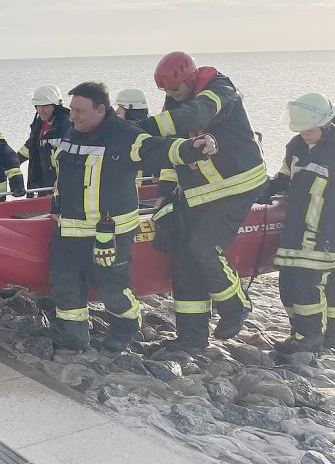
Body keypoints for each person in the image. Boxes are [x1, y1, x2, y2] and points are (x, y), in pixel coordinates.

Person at [48, 81, 217, 352]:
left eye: (80, 111)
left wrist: (192, 147)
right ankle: (74, 338)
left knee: (112, 288)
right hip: (69, 231)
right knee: (65, 285)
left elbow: (161, 149)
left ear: (101, 110)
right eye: (71, 110)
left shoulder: (125, 135)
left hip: (109, 234)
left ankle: (126, 327)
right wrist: (56, 207)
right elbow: (62, 176)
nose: (73, 116)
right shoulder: (71, 133)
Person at [142, 51, 266, 350]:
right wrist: (166, 193)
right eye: (167, 92)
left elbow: (196, 115)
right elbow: (174, 151)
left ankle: (236, 305)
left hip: (236, 186)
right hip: (200, 193)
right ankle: (191, 339)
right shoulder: (177, 102)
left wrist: (137, 128)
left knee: (204, 247)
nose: (172, 95)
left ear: (190, 79)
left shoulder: (220, 90)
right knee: (185, 258)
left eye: (174, 89)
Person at [265, 92, 335, 353]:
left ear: (325, 123)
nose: (305, 133)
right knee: (289, 283)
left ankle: (311, 338)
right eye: (301, 128)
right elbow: (284, 177)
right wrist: (263, 189)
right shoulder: (295, 146)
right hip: (296, 230)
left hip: (324, 232)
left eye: (309, 128)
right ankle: (302, 333)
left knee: (309, 285)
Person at [19, 84, 70, 193]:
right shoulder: (38, 125)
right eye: (38, 106)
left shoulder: (67, 126)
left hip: (60, 189)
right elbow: (29, 148)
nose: (40, 110)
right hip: (40, 186)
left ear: (56, 106)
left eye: (45, 106)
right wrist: (12, 163)